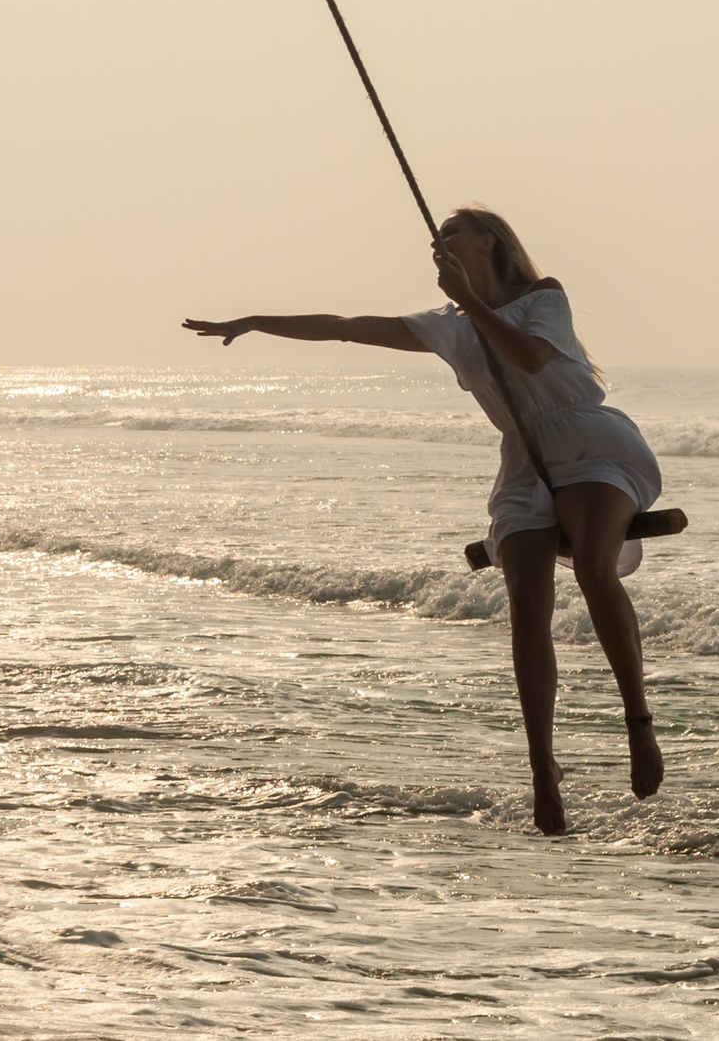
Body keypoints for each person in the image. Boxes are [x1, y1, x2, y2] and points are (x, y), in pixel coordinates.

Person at [181, 205, 663, 837]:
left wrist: (468, 299)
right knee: (527, 603)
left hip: (590, 443)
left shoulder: (542, 297)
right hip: (524, 459)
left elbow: (532, 360)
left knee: (596, 569)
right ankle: (543, 764)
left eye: (453, 231)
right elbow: (346, 326)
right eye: (437, 237)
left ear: (489, 241)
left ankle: (638, 724)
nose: (440, 240)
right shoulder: (446, 326)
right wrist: (253, 322)